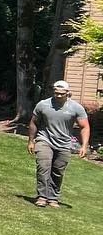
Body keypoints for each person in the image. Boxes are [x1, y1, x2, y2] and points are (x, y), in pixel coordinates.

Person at [28, 80, 90, 208]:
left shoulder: (76, 108)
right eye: (56, 93)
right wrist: (31, 141)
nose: (59, 96)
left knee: (58, 171)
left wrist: (84, 145)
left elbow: (84, 127)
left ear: (68, 93)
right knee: (43, 167)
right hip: (44, 139)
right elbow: (33, 122)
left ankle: (53, 198)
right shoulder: (43, 105)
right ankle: (42, 196)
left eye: (62, 93)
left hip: (64, 143)